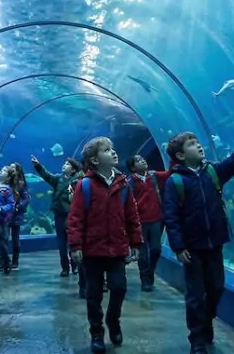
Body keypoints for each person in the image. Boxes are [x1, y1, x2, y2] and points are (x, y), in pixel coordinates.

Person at [163, 112, 234, 354]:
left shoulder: (214, 172)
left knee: (216, 288)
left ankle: (207, 320)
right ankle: (197, 339)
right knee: (195, 294)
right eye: (192, 144)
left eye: (198, 142)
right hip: (192, 248)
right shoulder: (175, 182)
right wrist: (178, 246)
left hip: (214, 243)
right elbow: (171, 217)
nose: (199, 146)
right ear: (181, 155)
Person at [68, 137, 142, 353]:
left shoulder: (124, 184)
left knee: (119, 288)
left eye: (113, 148)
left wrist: (135, 241)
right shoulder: (85, 185)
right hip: (92, 251)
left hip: (117, 249)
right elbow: (75, 217)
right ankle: (97, 333)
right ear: (94, 160)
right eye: (107, 150)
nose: (113, 152)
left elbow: (132, 216)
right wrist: (75, 246)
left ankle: (113, 319)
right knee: (94, 294)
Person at [29, 155, 83, 277]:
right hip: (59, 215)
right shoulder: (58, 179)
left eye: (68, 164)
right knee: (61, 242)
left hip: (71, 215)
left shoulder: (78, 181)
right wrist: (38, 165)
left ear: (74, 170)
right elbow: (47, 175)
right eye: (64, 163)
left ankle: (74, 265)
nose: (64, 165)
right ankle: (65, 267)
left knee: (72, 240)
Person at [126, 154, 167, 292]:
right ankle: (145, 280)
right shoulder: (130, 182)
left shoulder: (153, 176)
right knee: (142, 254)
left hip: (156, 219)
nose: (143, 160)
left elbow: (169, 174)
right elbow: (128, 203)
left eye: (142, 158)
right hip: (140, 222)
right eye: (138, 160)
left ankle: (150, 273)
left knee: (156, 249)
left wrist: (172, 157)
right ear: (132, 167)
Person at [8, 162, 29, 270]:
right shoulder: (7, 182)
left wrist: (18, 207)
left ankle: (15, 261)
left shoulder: (21, 183)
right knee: (3, 238)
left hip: (16, 214)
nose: (11, 170)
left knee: (15, 239)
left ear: (17, 170)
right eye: (10, 168)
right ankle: (4, 260)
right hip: (6, 214)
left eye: (13, 168)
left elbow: (26, 198)